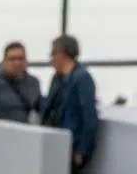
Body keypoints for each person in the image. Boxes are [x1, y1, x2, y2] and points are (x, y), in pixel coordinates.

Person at [40, 34, 98, 172]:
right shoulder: (57, 78)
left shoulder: (82, 78)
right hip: (54, 143)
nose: (51, 57)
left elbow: (89, 116)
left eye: (54, 53)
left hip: (71, 146)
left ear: (62, 54)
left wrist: (82, 150)